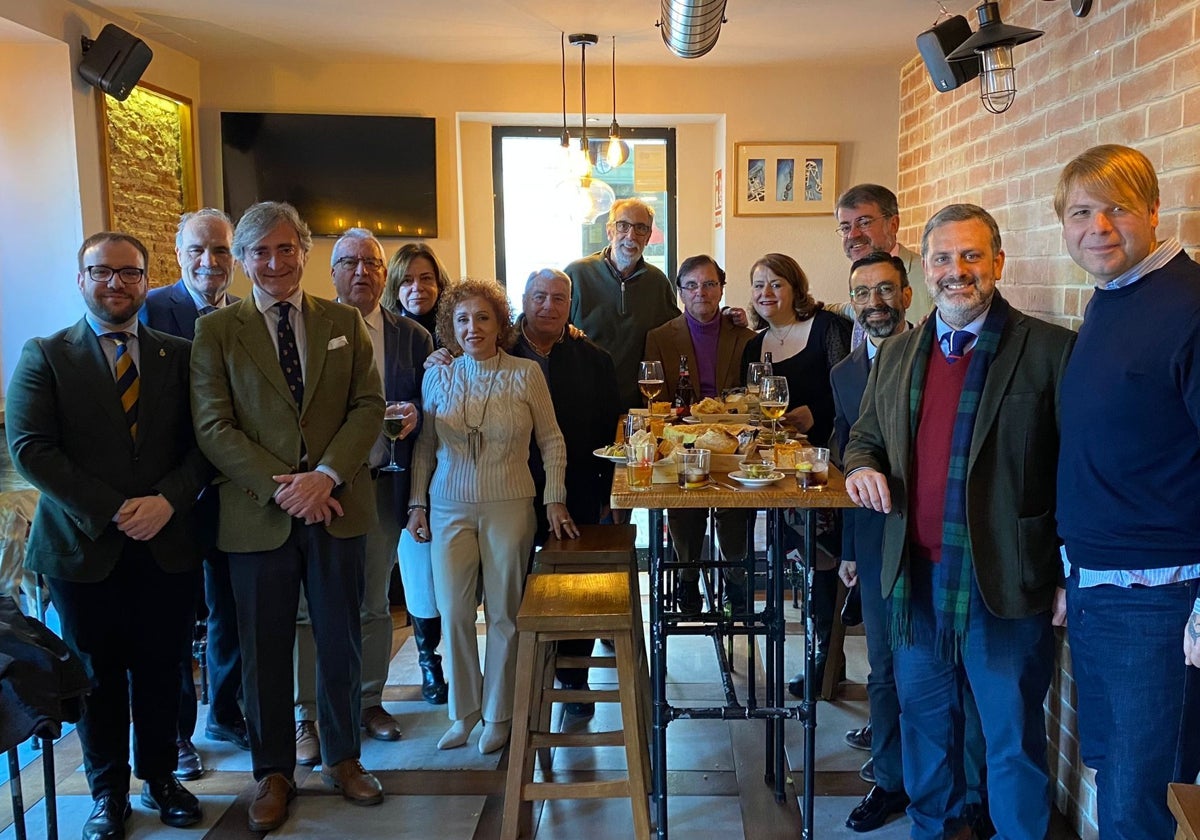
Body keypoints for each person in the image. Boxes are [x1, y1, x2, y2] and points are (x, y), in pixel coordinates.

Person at [844, 204, 1076, 840]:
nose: (957, 271)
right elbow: (864, 438)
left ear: (998, 263)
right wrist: (859, 468)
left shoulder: (1050, 351)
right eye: (943, 258)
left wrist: (1063, 576)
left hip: (1005, 584)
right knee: (926, 738)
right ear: (926, 266)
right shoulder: (896, 354)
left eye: (972, 256)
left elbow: (1074, 475)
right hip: (914, 581)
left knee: (1011, 744)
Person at [6, 232, 211, 839]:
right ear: (82, 279)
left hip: (166, 543)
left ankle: (163, 777)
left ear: (147, 279)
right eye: (102, 272)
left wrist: (167, 502)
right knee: (96, 675)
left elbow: (204, 444)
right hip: (80, 547)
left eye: (130, 272)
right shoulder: (45, 353)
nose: (116, 283)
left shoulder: (180, 353)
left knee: (162, 666)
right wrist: (120, 508)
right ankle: (107, 792)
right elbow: (30, 450)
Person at [190, 201, 386, 831]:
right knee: (262, 649)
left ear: (305, 252)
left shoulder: (342, 322)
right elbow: (214, 426)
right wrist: (285, 489)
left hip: (336, 507)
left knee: (341, 639)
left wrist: (324, 476)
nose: (274, 262)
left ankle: (342, 757)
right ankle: (272, 771)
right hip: (257, 515)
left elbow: (368, 405)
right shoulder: (217, 332)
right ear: (242, 261)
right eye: (259, 252)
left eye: (286, 249)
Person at [1053, 144, 1200, 840]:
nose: (1099, 227)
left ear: (1153, 211)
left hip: (1159, 599)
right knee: (1118, 783)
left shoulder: (1189, 306)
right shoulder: (1113, 301)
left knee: (1136, 805)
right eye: (1081, 212)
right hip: (1097, 586)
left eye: (1116, 209)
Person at [405, 278, 575, 754]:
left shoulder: (525, 374)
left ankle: (499, 714)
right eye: (462, 319)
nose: (472, 327)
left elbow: (552, 440)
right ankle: (463, 712)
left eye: (483, 318)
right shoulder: (437, 375)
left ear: (500, 324)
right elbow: (424, 447)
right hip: (447, 505)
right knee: (455, 611)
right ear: (450, 327)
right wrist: (417, 502)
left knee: (503, 613)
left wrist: (554, 497)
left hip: (510, 504)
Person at [290, 229, 436, 763]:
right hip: (322, 492)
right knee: (310, 606)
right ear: (331, 273)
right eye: (348, 262)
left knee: (375, 603)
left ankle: (369, 701)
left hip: (382, 484)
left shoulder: (410, 337)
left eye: (371, 263)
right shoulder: (310, 326)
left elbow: (427, 400)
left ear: (384, 272)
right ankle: (306, 714)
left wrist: (417, 412)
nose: (361, 272)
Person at [140, 208, 249, 782]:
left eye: (222, 251)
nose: (210, 262)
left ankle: (225, 713)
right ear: (178, 252)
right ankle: (177, 734)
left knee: (230, 606)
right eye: (199, 250)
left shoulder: (243, 314)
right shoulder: (152, 308)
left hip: (230, 488)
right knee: (177, 617)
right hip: (172, 493)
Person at [741, 253, 850, 700]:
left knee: (824, 565)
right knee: (800, 563)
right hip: (780, 474)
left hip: (827, 469)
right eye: (758, 284)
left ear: (796, 287)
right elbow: (753, 405)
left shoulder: (827, 329)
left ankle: (825, 664)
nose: (766, 293)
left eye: (776, 284)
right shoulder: (755, 345)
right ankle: (818, 658)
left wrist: (816, 413)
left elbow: (851, 390)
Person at [513, 268, 621, 714]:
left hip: (576, 487)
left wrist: (606, 496)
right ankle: (523, 677)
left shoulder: (593, 358)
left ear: (570, 305)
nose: (549, 306)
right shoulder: (497, 348)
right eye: (540, 296)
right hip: (511, 486)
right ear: (524, 298)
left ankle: (573, 677)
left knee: (576, 585)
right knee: (516, 584)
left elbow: (606, 430)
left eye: (559, 299)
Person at [831, 251, 912, 832]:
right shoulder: (845, 374)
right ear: (852, 303)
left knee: (936, 667)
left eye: (886, 291)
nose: (875, 303)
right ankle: (891, 781)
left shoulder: (937, 352)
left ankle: (955, 783)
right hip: (878, 534)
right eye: (863, 294)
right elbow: (847, 461)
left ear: (907, 294)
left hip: (937, 533)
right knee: (881, 666)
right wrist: (851, 550)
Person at [644, 255, 755, 614]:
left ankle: (735, 580)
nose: (700, 292)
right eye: (691, 285)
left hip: (733, 439)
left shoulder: (745, 334)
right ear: (680, 292)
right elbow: (657, 398)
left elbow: (752, 394)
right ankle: (688, 577)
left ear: (721, 288)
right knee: (684, 505)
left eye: (709, 284)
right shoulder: (660, 336)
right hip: (683, 439)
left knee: (736, 506)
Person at [381, 241, 451, 689]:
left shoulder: (460, 332)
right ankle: (429, 663)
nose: (417, 288)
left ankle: (464, 661)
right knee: (418, 568)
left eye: (426, 278)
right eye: (406, 279)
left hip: (456, 469)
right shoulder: (385, 334)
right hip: (401, 470)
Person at [565, 197, 680, 409]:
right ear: (610, 231)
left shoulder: (657, 283)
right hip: (582, 403)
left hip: (638, 405)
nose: (631, 235)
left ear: (647, 237)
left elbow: (679, 332)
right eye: (623, 226)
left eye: (640, 228)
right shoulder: (576, 275)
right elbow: (552, 331)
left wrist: (724, 317)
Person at [831, 183, 933, 347]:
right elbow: (845, 309)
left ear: (893, 225)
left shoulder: (930, 279)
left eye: (864, 222)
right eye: (845, 227)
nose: (853, 234)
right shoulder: (859, 281)